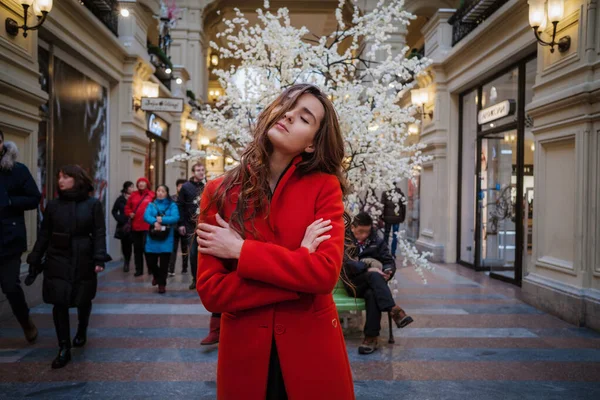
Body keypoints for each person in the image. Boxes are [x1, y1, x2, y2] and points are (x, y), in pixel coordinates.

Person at [195, 84, 355, 399]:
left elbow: (323, 275)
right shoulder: (219, 192)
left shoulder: (324, 188)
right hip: (245, 356)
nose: (288, 116)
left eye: (304, 117)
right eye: (286, 106)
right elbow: (212, 293)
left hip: (313, 352)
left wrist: (241, 251)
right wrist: (298, 265)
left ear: (311, 144)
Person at [25, 165, 111, 369]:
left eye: (65, 177)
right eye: (59, 177)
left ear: (77, 179)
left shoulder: (92, 204)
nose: (60, 181)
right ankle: (63, 347)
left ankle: (82, 330)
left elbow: (99, 232)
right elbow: (44, 234)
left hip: (84, 257)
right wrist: (35, 259)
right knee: (59, 302)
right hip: (58, 258)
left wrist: (99, 258)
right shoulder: (53, 205)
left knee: (83, 298)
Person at [343, 212, 413, 355]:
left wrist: (388, 271)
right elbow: (346, 264)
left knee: (372, 294)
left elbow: (388, 261)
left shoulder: (377, 240)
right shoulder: (345, 239)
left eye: (366, 231)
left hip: (373, 286)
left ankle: (371, 337)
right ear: (353, 227)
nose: (363, 235)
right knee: (373, 275)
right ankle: (394, 310)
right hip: (354, 284)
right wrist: (368, 267)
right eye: (360, 231)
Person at [0, 130, 41, 343]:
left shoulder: (17, 170)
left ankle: (25, 321)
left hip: (9, 238)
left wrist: (9, 201)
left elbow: (34, 198)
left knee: (10, 285)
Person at [143, 185, 179, 294]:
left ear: (167, 193)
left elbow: (175, 217)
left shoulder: (172, 205)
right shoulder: (151, 204)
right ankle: (156, 276)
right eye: (158, 190)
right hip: (152, 237)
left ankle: (162, 284)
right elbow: (146, 216)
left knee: (164, 264)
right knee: (150, 261)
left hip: (166, 239)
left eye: (163, 191)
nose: (160, 193)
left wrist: (162, 219)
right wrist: (154, 222)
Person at [178, 163, 206, 288]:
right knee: (193, 253)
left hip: (205, 225)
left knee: (205, 254)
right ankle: (195, 279)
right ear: (193, 172)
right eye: (198, 170)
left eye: (202, 170)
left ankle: (204, 279)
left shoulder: (208, 185)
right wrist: (181, 224)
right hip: (190, 226)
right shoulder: (186, 187)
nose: (201, 172)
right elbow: (180, 206)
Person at [125, 177, 154, 277]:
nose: (141, 184)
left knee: (148, 248)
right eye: (139, 182)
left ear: (147, 184)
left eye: (143, 182)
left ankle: (151, 268)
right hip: (135, 227)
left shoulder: (152, 195)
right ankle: (139, 270)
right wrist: (129, 213)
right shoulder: (133, 195)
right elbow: (127, 208)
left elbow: (156, 207)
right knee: (137, 249)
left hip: (148, 226)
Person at [112, 181, 134, 272]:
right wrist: (119, 218)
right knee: (125, 244)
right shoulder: (120, 199)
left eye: (133, 187)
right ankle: (127, 262)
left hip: (133, 224)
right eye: (131, 187)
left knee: (136, 244)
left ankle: (138, 264)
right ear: (126, 188)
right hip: (123, 225)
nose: (132, 188)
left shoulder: (135, 198)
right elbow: (114, 211)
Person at [380, 182, 406, 258]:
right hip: (397, 218)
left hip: (387, 219)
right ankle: (393, 253)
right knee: (395, 235)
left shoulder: (385, 193)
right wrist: (402, 218)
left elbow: (382, 206)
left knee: (386, 234)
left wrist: (381, 217)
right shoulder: (400, 193)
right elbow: (403, 207)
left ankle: (385, 251)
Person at [168, 178, 188, 277]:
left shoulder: (188, 199)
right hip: (173, 227)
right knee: (173, 249)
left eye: (184, 186)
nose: (182, 187)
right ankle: (171, 269)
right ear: (177, 187)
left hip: (184, 227)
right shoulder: (172, 198)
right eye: (180, 185)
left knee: (185, 249)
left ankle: (185, 267)